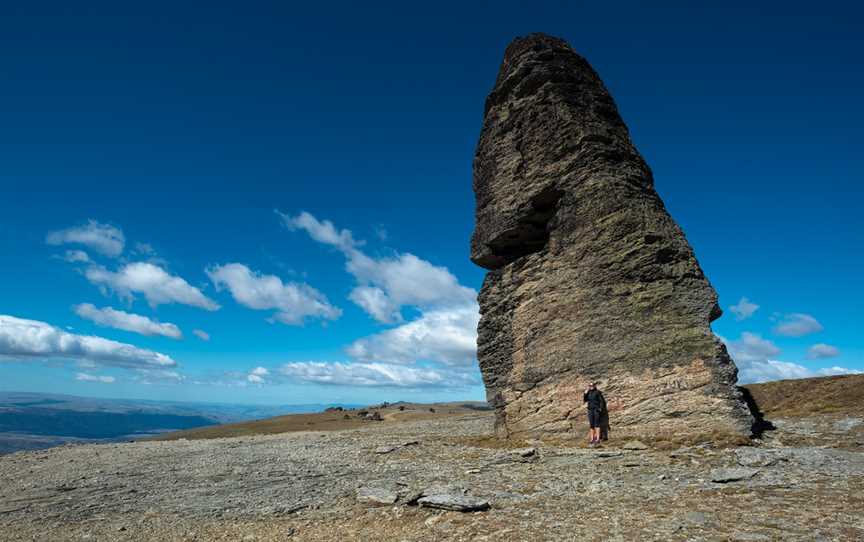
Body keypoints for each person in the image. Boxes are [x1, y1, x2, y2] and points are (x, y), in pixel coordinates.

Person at [583, 382, 606, 446]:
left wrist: (600, 409)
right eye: (590, 385)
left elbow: (602, 401)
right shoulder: (588, 392)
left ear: (595, 386)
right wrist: (585, 393)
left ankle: (597, 439)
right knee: (591, 425)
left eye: (592, 385)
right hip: (590, 410)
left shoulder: (598, 392)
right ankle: (592, 439)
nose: (591, 386)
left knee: (597, 424)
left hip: (596, 410)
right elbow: (585, 400)